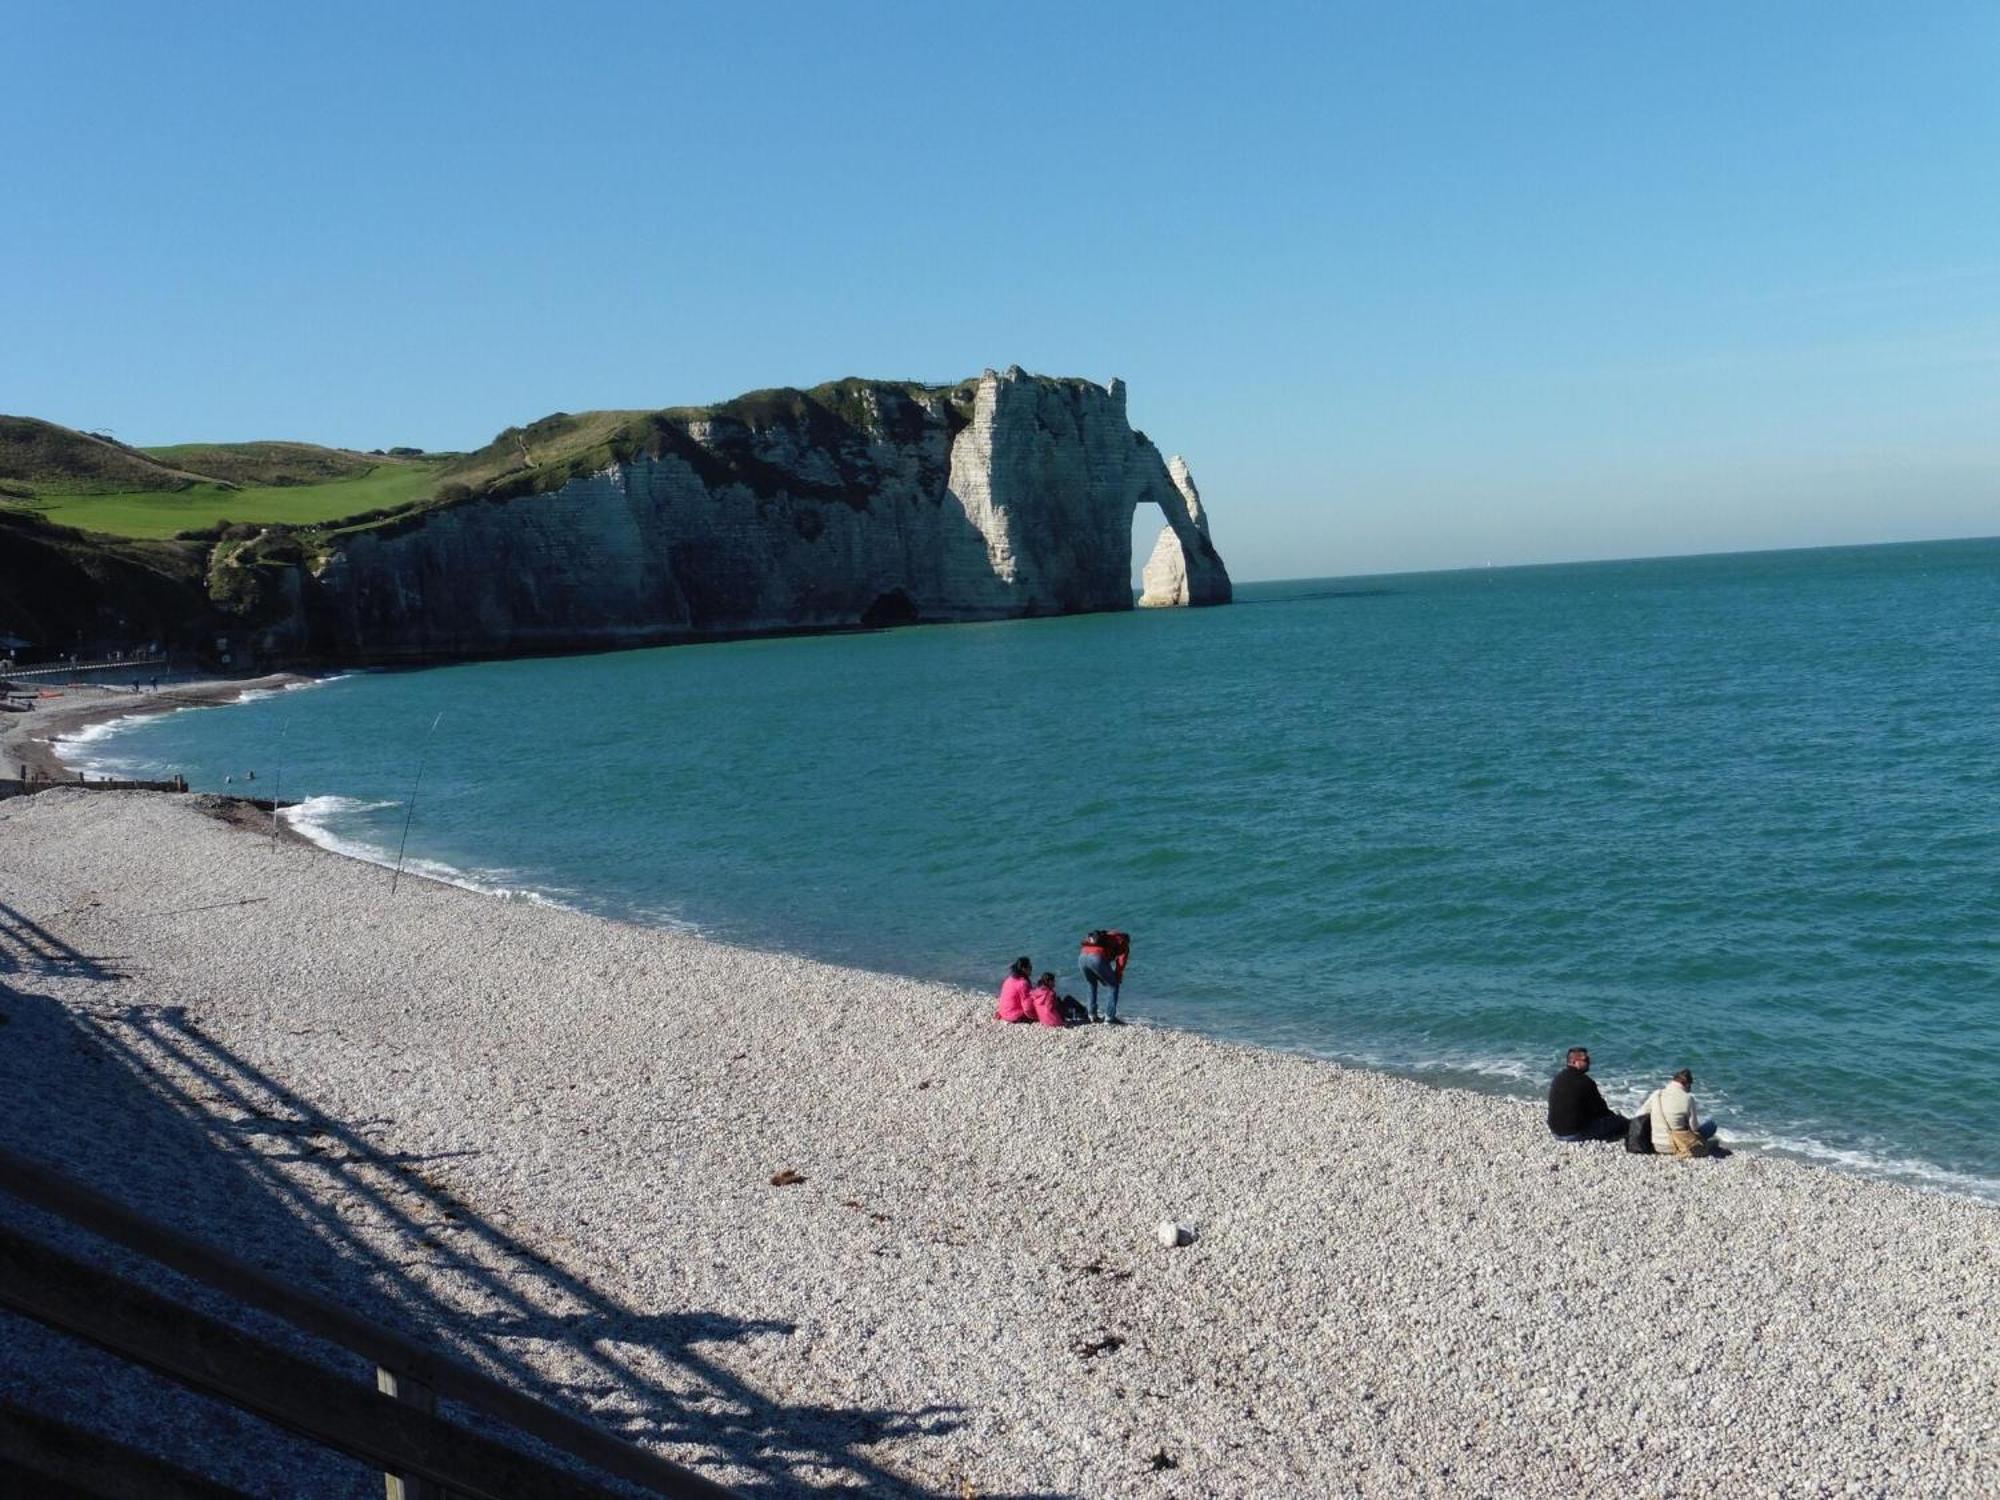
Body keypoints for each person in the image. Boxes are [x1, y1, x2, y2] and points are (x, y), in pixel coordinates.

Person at [1546, 1046, 1627, 1142]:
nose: (1589, 1062)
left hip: (1555, 1131)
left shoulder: (1558, 1078)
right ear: (1573, 1062)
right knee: (1619, 1122)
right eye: (1585, 1060)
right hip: (1573, 1134)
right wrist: (1614, 1118)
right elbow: (1601, 1109)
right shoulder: (1586, 1082)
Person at [1637, 1068, 1720, 1157]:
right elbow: (1694, 1128)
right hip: (1678, 1144)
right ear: (1687, 1084)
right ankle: (1707, 1144)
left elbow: (1639, 1115)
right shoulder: (1688, 1098)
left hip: (1657, 1145)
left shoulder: (1657, 1094)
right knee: (1711, 1125)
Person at [1079, 929, 1130, 1023]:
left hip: (1082, 957)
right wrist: (1117, 977)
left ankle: (1091, 1015)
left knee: (1091, 984)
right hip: (1096, 958)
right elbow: (1121, 963)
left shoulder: (1108, 936)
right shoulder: (1124, 943)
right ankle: (1109, 1018)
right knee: (1113, 986)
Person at [995, 957, 1034, 1023]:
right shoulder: (1023, 983)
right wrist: (1033, 1017)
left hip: (1003, 1012)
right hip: (1014, 1015)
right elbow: (1027, 1007)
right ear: (1024, 969)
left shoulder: (1010, 978)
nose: (1031, 969)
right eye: (1030, 967)